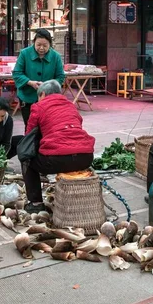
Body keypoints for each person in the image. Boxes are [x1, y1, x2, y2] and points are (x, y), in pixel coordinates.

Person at [21, 80, 95, 213]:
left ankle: (36, 203)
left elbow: (29, 136)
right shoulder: (71, 106)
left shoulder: (38, 107)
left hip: (56, 160)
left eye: (39, 96)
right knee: (66, 155)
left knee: (26, 158)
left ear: (42, 94)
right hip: (86, 157)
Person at [12, 29, 65, 128]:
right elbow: (17, 73)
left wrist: (47, 86)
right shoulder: (24, 53)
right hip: (27, 96)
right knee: (30, 126)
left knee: (47, 126)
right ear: (33, 42)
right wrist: (30, 82)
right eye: (38, 45)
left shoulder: (56, 56)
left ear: (50, 44)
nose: (41, 48)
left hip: (48, 97)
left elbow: (60, 76)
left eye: (45, 45)